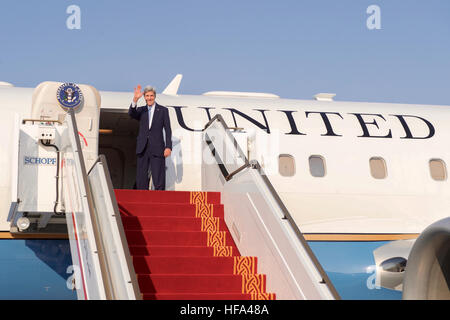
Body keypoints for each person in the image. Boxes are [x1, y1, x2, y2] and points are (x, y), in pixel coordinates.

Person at [128, 85, 172, 190]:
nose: (149, 98)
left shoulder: (163, 110)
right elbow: (131, 113)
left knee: (158, 175)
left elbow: (168, 129)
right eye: (147, 96)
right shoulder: (141, 110)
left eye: (151, 95)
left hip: (157, 147)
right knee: (141, 176)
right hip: (143, 147)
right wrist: (135, 99)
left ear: (155, 96)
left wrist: (168, 147)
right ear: (144, 97)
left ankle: (160, 197)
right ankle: (141, 197)